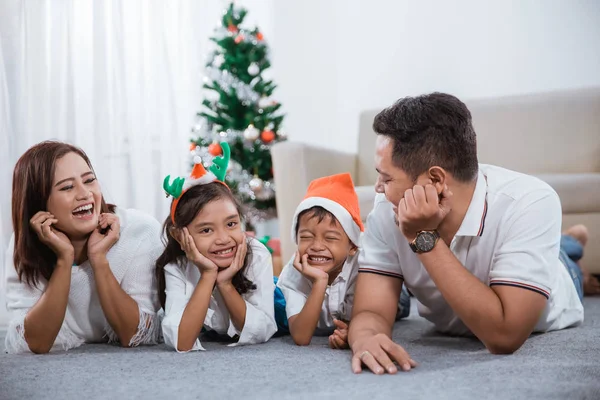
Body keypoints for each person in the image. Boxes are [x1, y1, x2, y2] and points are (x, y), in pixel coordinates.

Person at [348, 93, 585, 374]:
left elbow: (504, 336)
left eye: (386, 178)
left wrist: (422, 237)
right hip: (506, 252)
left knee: (565, 257)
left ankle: (572, 240)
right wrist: (365, 337)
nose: (377, 187)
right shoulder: (389, 208)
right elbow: (371, 311)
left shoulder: (530, 202)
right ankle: (566, 238)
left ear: (435, 180)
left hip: (559, 281)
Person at [5, 141, 162, 354]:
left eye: (89, 180)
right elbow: (36, 343)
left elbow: (134, 335)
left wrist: (98, 259)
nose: (85, 194)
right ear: (38, 203)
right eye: (67, 187)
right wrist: (64, 260)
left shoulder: (140, 231)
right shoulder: (24, 244)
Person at [157, 143, 277, 352]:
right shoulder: (176, 267)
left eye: (231, 224)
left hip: (277, 301)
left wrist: (226, 284)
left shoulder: (256, 253)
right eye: (206, 230)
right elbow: (181, 342)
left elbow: (262, 331)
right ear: (180, 235)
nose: (223, 239)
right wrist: (208, 274)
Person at [275, 173, 411, 348]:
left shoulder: (363, 264)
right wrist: (320, 282)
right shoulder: (293, 274)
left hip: (392, 295)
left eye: (330, 238)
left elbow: (369, 315)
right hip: (341, 309)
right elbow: (301, 337)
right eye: (306, 237)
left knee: (401, 301)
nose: (316, 246)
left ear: (353, 246)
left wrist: (352, 331)